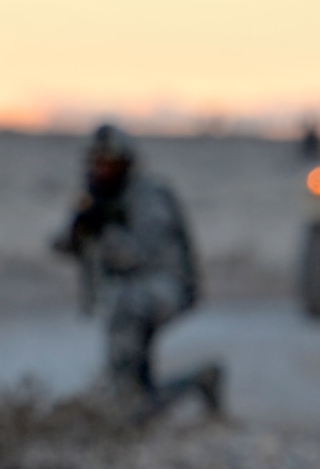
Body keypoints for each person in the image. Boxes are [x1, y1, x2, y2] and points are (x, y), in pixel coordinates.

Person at [51, 124, 223, 419]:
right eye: (97, 162)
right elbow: (62, 246)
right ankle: (193, 383)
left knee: (126, 316)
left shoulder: (149, 195)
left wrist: (106, 231)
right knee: (135, 389)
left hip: (164, 287)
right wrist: (81, 226)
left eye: (109, 163)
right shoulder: (96, 197)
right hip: (128, 292)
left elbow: (141, 254)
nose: (102, 170)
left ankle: (128, 404)